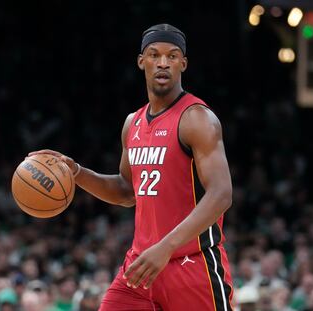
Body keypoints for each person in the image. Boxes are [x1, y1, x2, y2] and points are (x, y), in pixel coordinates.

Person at [30, 23, 234, 311]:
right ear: (141, 62)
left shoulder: (196, 118)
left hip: (192, 265)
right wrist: (77, 172)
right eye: (154, 54)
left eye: (172, 56)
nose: (163, 63)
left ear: (183, 64)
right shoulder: (133, 123)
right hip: (141, 265)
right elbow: (127, 191)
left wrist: (166, 247)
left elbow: (222, 194)